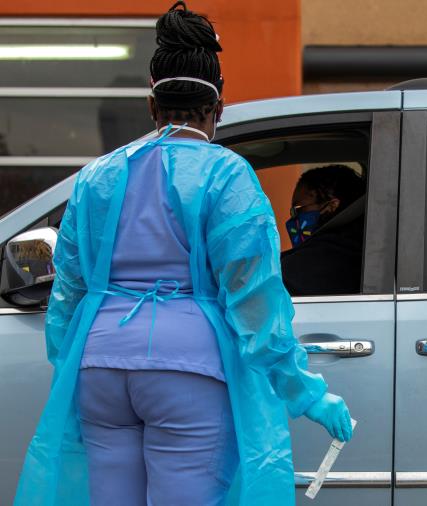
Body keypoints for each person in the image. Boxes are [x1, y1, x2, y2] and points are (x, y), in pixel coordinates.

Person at [14, 3, 352, 505]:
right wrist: (308, 393)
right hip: (187, 371)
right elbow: (255, 301)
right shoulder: (227, 176)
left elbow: (68, 293)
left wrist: (75, 364)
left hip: (100, 369)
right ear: (218, 110)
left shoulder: (97, 176)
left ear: (152, 106)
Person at [281, 164, 366, 296]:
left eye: (298, 209)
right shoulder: (361, 245)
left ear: (331, 206)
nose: (293, 218)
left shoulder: (328, 255)